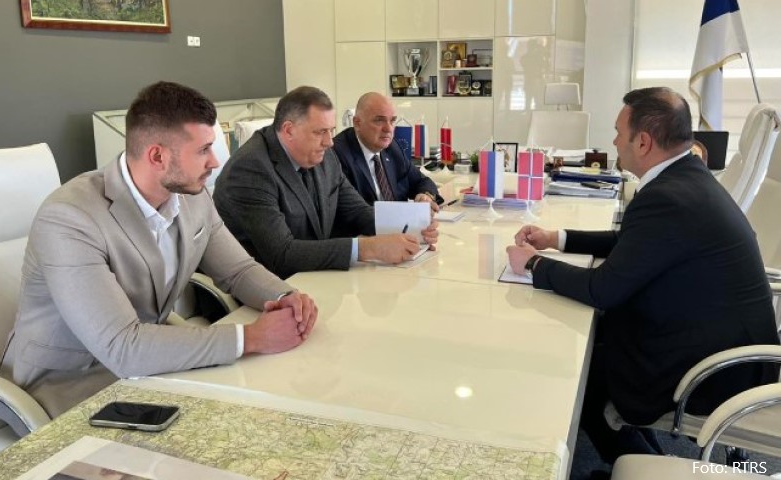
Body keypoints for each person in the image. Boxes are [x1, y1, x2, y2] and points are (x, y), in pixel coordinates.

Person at [0, 81, 318, 420]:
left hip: (149, 367)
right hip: (67, 387)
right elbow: (123, 347)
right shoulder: (69, 218)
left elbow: (238, 270)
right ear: (157, 156)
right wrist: (249, 338)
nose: (215, 162)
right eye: (203, 150)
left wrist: (286, 297)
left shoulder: (192, 197)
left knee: (262, 406)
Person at [506, 87, 779, 463]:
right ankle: (648, 460)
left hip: (713, 370)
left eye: (619, 132)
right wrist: (557, 238)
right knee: (594, 340)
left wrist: (533, 264)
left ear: (644, 142)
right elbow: (633, 243)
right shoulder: (687, 178)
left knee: (580, 376)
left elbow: (601, 289)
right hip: (724, 343)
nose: (615, 142)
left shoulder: (667, 197)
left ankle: (641, 465)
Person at [213, 86, 438, 279]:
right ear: (289, 130)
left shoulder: (324, 155)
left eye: (331, 131)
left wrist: (414, 228)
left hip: (316, 278)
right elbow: (282, 254)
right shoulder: (251, 170)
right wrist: (368, 248)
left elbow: (356, 211)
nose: (330, 142)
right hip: (270, 290)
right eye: (321, 132)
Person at [332, 92, 442, 212]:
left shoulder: (392, 148)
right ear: (357, 123)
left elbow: (422, 181)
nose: (389, 129)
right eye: (379, 121)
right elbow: (349, 212)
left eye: (392, 121)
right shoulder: (337, 154)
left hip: (402, 221)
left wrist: (426, 196)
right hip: (368, 223)